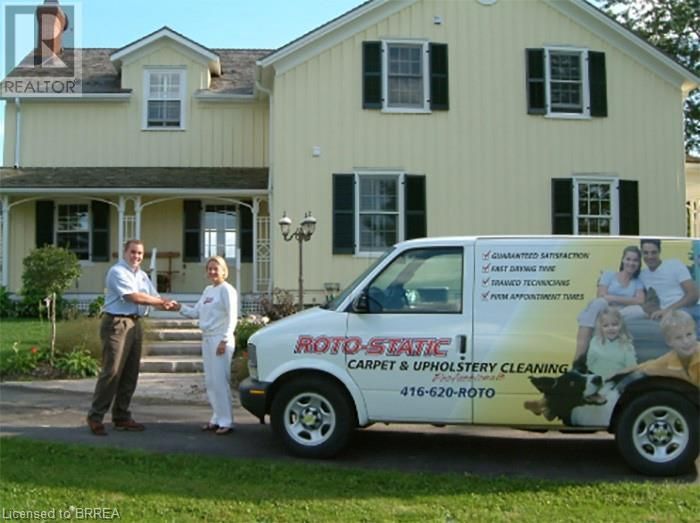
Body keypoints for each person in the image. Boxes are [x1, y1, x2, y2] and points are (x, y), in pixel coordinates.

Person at [87, 239, 176, 436]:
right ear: (125, 253)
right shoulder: (117, 272)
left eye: (140, 253)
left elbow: (154, 296)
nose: (136, 256)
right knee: (112, 371)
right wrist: (160, 302)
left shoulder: (142, 276)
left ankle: (121, 416)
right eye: (133, 252)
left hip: (135, 323)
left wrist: (169, 304)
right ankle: (95, 417)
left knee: (130, 372)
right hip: (117, 323)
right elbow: (132, 296)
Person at [174, 256, 238, 435]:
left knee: (220, 382)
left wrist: (225, 340)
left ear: (224, 270)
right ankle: (217, 418)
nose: (212, 272)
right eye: (209, 269)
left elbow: (232, 317)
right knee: (210, 382)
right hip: (207, 338)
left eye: (216, 269)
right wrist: (178, 307)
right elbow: (196, 312)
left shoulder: (227, 290)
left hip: (220, 339)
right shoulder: (208, 290)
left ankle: (227, 421)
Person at [573, 246, 646, 364]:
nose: (631, 263)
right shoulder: (609, 275)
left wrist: (612, 298)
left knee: (638, 310)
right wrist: (626, 300)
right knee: (599, 303)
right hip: (603, 309)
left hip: (620, 313)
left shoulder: (637, 282)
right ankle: (578, 359)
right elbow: (601, 295)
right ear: (623, 260)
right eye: (628, 259)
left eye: (635, 260)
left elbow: (640, 300)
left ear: (639, 263)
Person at [639, 239, 700, 326]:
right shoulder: (642, 275)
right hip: (667, 316)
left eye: (653, 252)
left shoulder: (674, 265)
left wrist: (668, 310)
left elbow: (693, 295)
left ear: (659, 251)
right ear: (641, 253)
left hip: (689, 309)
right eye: (646, 253)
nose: (650, 256)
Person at [632, 310, 700, 386]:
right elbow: (647, 367)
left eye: (689, 334)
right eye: (678, 338)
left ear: (695, 334)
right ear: (669, 342)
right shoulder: (667, 361)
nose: (686, 341)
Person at [585, 307, 637, 380]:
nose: (610, 328)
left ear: (621, 325)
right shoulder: (595, 341)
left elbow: (631, 368)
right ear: (600, 327)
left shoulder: (627, 345)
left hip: (616, 382)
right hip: (595, 381)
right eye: (605, 325)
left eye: (614, 324)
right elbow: (589, 363)